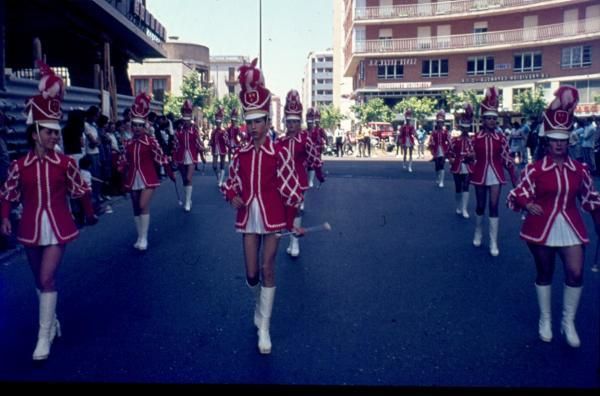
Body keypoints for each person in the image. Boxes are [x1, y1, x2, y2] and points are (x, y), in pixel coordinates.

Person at [0, 61, 97, 361]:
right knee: (38, 281)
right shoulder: (19, 166)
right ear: (35, 134)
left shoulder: (65, 163)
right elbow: (8, 193)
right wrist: (4, 216)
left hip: (58, 226)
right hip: (30, 226)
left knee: (46, 279)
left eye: (57, 133)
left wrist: (89, 212)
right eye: (50, 133)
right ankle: (51, 320)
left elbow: (79, 189)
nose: (56, 138)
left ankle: (44, 335)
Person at [221, 59, 303, 354]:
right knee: (252, 274)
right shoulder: (240, 153)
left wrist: (292, 222)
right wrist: (232, 195)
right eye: (250, 121)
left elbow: (291, 188)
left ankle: (265, 327)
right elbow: (229, 181)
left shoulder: (278, 152)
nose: (253, 127)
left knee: (269, 268)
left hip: (272, 220)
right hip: (248, 218)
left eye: (259, 121)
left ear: (268, 122)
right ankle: (258, 304)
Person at [507, 86, 600, 348]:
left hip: (571, 225)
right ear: (547, 140)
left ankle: (568, 321)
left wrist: (598, 212)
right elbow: (516, 194)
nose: (559, 143)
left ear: (569, 140)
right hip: (541, 227)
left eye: (563, 138)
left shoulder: (579, 170)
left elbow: (589, 197)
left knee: (575, 272)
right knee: (545, 272)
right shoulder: (534, 169)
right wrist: (527, 203)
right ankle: (545, 319)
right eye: (554, 138)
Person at [118, 92, 174, 251]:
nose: (137, 128)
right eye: (134, 125)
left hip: (148, 177)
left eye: (140, 125)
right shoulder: (128, 143)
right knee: (136, 207)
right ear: (131, 125)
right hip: (132, 177)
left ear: (145, 126)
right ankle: (139, 236)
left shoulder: (151, 141)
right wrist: (121, 166)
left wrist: (168, 169)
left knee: (143, 204)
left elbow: (160, 157)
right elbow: (124, 158)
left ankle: (144, 238)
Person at [470, 87, 517, 257]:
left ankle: (493, 241)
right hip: (480, 173)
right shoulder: (475, 138)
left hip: (496, 174)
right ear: (483, 120)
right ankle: (478, 232)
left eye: (493, 119)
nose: (491, 121)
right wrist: (469, 160)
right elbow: (470, 157)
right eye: (488, 118)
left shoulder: (501, 138)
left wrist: (515, 180)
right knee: (481, 205)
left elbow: (507, 158)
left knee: (494, 206)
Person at [277, 89, 322, 258]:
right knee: (284, 212)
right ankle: (290, 239)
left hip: (298, 180)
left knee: (295, 210)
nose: (291, 125)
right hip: (281, 182)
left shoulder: (305, 139)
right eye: (289, 122)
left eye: (295, 121)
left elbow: (313, 157)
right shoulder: (279, 141)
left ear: (299, 122)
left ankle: (294, 243)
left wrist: (319, 173)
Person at [173, 99, 203, 212]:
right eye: (184, 117)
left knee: (189, 178)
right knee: (185, 179)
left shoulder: (194, 129)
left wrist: (202, 148)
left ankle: (187, 202)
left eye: (188, 117)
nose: (186, 121)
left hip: (191, 156)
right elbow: (175, 144)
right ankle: (188, 199)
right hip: (181, 156)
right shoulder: (178, 131)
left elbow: (197, 141)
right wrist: (174, 158)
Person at [447, 103, 475, 219]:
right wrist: (451, 158)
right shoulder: (455, 140)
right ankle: (459, 206)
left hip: (468, 165)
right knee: (458, 187)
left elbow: (476, 153)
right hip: (457, 165)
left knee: (466, 185)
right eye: (463, 127)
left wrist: (472, 155)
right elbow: (449, 151)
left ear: (469, 128)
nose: (465, 129)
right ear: (460, 127)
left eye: (466, 127)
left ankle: (464, 209)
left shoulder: (472, 140)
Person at [427, 110, 451, 188]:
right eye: (439, 122)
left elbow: (449, 140)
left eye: (441, 122)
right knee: (437, 165)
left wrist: (450, 148)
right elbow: (431, 140)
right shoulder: (434, 132)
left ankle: (442, 181)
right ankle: (438, 177)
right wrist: (432, 146)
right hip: (436, 150)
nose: (440, 124)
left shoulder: (445, 132)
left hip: (443, 150)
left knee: (442, 165)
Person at [209, 107, 229, 187]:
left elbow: (226, 141)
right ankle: (218, 177)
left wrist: (226, 140)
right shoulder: (213, 131)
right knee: (214, 166)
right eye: (217, 122)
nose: (218, 123)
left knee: (222, 164)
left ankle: (221, 180)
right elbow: (211, 140)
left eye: (219, 122)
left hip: (222, 149)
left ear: (221, 122)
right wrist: (210, 143)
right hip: (215, 149)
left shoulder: (224, 131)